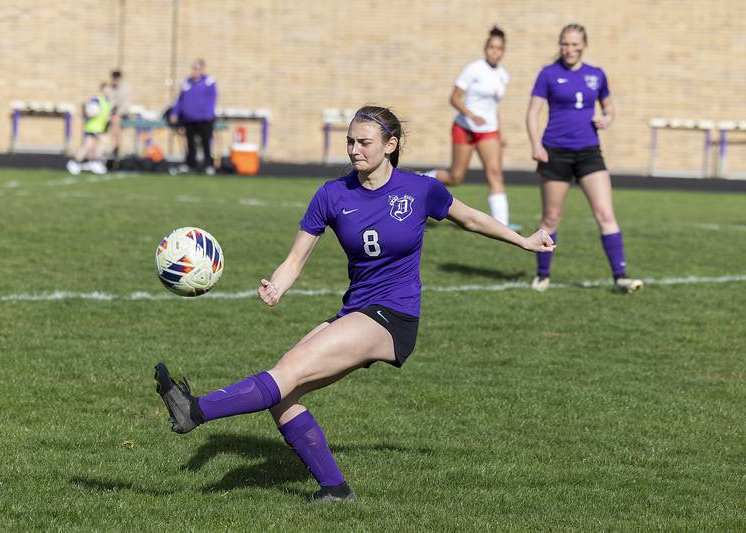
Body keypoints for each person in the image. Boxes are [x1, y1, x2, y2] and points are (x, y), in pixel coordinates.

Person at [154, 105, 555, 503]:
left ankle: (195, 410)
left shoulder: (420, 189)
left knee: (287, 372)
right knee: (283, 393)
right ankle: (335, 490)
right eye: (350, 141)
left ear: (390, 145)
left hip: (392, 316)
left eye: (364, 142)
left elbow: (470, 219)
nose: (354, 150)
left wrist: (523, 241)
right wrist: (278, 287)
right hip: (356, 311)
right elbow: (296, 259)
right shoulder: (331, 194)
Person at [525, 24, 643, 293]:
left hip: (589, 152)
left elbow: (609, 108)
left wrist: (606, 119)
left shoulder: (597, 74)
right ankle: (543, 275)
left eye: (575, 45)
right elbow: (533, 112)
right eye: (565, 44)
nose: (569, 49)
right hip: (555, 151)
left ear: (584, 46)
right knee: (551, 217)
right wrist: (536, 145)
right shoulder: (548, 74)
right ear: (560, 45)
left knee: (605, 213)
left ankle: (620, 277)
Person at [427, 26, 518, 230]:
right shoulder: (474, 69)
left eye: (499, 48)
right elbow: (454, 98)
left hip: (489, 131)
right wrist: (470, 115)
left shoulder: (504, 75)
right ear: (485, 49)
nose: (495, 51)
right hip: (465, 128)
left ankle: (502, 224)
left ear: (503, 51)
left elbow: (494, 108)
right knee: (456, 177)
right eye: (491, 47)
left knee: (495, 173)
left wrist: (500, 133)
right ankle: (423, 180)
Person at [169, 58, 217, 176]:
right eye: (193, 68)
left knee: (205, 142)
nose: (195, 71)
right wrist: (174, 113)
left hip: (204, 119)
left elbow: (212, 99)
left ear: (202, 69)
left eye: (197, 68)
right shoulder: (187, 82)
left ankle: (208, 165)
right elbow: (180, 100)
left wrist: (208, 114)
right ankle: (190, 164)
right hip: (189, 119)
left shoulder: (208, 82)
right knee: (190, 143)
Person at [66, 82, 113, 175]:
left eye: (109, 89)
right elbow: (88, 110)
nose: (107, 91)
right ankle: (95, 161)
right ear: (102, 90)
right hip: (93, 126)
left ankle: (75, 162)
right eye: (106, 89)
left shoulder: (109, 102)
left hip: (101, 127)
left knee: (87, 145)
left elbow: (107, 114)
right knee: (103, 141)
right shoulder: (97, 99)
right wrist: (90, 112)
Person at [108, 69, 132, 161]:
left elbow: (126, 105)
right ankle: (113, 146)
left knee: (116, 120)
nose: (115, 80)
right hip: (112, 114)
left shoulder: (125, 89)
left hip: (122, 114)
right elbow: (109, 103)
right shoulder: (110, 88)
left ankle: (116, 146)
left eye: (116, 78)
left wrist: (117, 113)